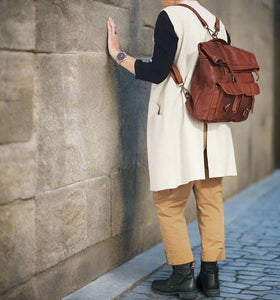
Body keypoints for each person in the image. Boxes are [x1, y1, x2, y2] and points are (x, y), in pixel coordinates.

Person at [107, 0, 237, 298]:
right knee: (211, 201)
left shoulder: (170, 17)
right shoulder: (217, 24)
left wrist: (119, 54)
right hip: (214, 128)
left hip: (181, 126)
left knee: (168, 203)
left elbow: (157, 71)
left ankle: (183, 275)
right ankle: (211, 277)